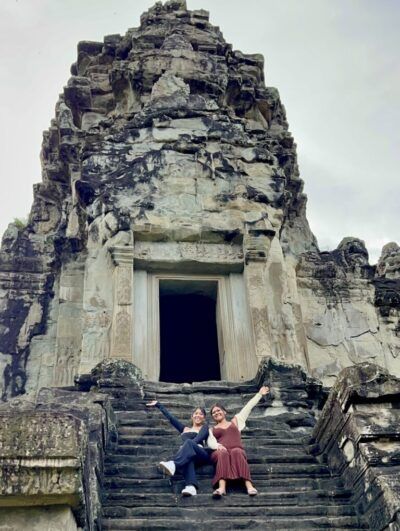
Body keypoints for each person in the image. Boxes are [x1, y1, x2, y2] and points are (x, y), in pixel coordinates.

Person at [207, 385, 270, 498]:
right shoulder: (212, 429)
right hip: (220, 452)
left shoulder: (236, 421)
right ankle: (221, 488)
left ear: (224, 412)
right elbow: (210, 442)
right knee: (223, 453)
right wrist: (218, 446)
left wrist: (259, 394)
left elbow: (248, 407)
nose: (216, 413)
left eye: (218, 410)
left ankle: (249, 486)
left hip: (236, 450)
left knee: (237, 451)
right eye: (213, 413)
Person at [146, 399, 211, 496]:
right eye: (196, 413)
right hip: (189, 454)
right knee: (188, 459)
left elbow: (197, 440)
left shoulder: (205, 427)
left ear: (204, 418)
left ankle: (174, 464)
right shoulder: (185, 429)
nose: (198, 415)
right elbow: (171, 419)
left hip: (201, 453)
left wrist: (186, 447)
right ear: (192, 416)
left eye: (201, 414)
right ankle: (191, 487)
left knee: (189, 443)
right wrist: (158, 405)